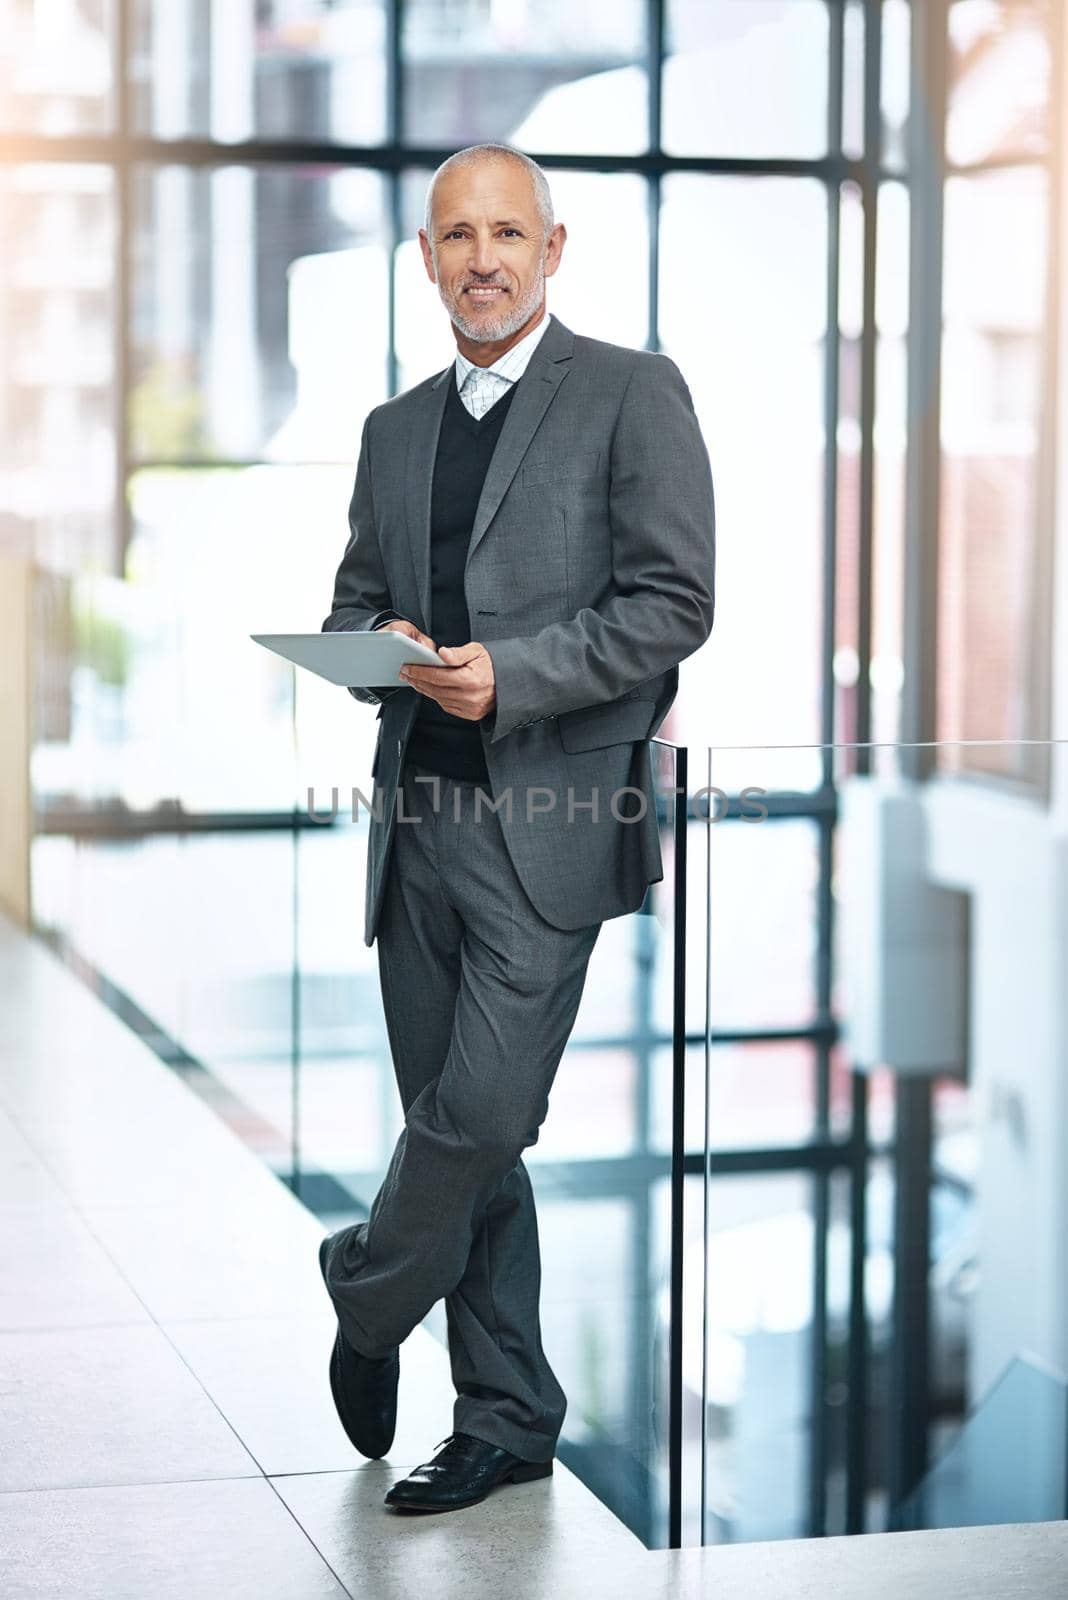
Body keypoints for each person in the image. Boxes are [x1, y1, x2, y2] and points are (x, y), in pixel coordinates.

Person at [317, 140, 715, 1514]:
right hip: (412, 818)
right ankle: (506, 1416)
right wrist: (387, 641)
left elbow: (676, 602)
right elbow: (352, 606)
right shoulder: (392, 429)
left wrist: (516, 673)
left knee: (483, 1111)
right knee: (468, 1137)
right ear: (427, 261)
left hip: (546, 821)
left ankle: (366, 1296)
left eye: (505, 232)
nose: (480, 257)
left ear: (553, 248)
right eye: (454, 236)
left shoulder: (629, 394)